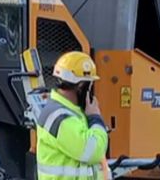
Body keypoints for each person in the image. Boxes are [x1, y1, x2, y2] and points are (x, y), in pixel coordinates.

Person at [34, 52, 109, 180]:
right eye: (90, 84)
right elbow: (93, 152)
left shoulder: (72, 113)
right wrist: (95, 118)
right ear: (81, 86)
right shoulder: (60, 118)